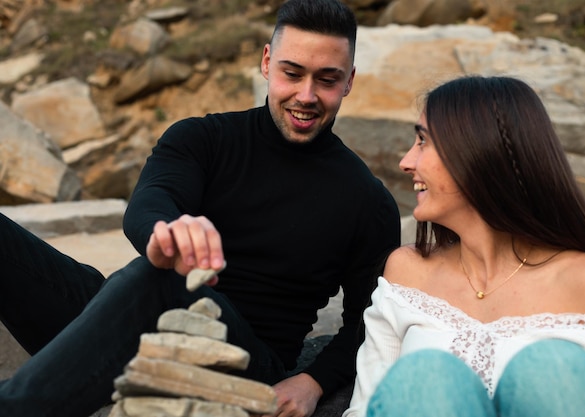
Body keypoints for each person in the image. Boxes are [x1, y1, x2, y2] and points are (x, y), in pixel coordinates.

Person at [0, 1, 400, 416]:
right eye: (292, 73)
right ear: (266, 62)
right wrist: (167, 232)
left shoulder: (367, 201)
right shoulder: (202, 138)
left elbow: (368, 318)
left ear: (349, 81)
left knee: (164, 282)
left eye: (327, 80)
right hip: (142, 319)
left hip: (244, 360)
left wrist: (312, 381)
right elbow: (151, 200)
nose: (306, 95)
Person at [342, 75, 585, 417]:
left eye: (422, 141)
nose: (405, 161)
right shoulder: (406, 273)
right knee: (427, 377)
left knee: (550, 368)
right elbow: (364, 409)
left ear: (477, 152)